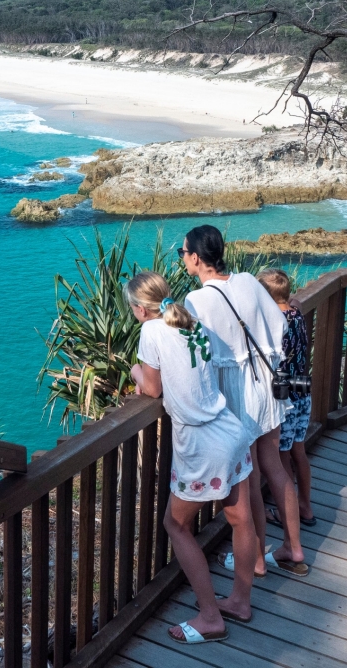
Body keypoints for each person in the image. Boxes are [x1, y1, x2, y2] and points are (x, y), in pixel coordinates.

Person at [126, 271, 257, 644]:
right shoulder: (190, 321)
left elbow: (152, 389)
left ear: (138, 309)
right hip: (230, 429)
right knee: (241, 518)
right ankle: (240, 602)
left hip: (201, 443)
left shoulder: (151, 331)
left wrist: (134, 370)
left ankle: (210, 616)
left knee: (176, 525)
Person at [182, 226, 309, 578]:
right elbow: (279, 326)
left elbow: (198, 356)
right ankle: (293, 548)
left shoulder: (197, 301)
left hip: (237, 395)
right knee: (275, 468)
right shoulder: (249, 281)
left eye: (183, 254)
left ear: (195, 257)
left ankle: (254, 558)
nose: (183, 260)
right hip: (267, 385)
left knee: (249, 478)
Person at [257, 269, 316, 528]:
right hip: (302, 393)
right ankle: (306, 505)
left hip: (285, 400)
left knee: (281, 458)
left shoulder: (273, 323)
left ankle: (287, 511)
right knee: (299, 453)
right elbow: (296, 303)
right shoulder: (296, 314)